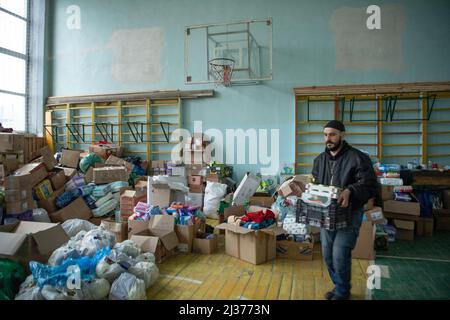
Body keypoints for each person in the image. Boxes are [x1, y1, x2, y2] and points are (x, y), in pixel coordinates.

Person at [311, 120, 378, 300]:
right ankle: (340, 285)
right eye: (325, 135)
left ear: (342, 135)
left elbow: (370, 185)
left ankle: (342, 292)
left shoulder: (358, 158)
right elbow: (317, 186)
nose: (328, 138)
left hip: (350, 213)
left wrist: (350, 190)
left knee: (340, 252)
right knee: (327, 253)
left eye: (332, 134)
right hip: (327, 215)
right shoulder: (319, 160)